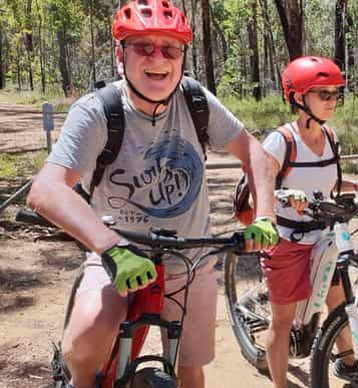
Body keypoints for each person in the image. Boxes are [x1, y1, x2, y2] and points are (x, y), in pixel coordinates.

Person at [25, 1, 277, 387]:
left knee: (191, 369)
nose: (158, 57)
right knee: (88, 338)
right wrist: (111, 248)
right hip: (119, 255)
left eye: (170, 48)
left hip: (191, 261)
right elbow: (45, 189)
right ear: (119, 55)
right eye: (143, 46)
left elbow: (256, 154)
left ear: (181, 57)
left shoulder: (195, 101)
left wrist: (264, 216)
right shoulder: (97, 111)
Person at [259, 56, 358, 388]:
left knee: (339, 303)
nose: (331, 101)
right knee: (282, 322)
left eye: (334, 94)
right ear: (299, 98)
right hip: (286, 239)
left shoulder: (329, 136)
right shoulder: (281, 141)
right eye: (322, 94)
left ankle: (348, 363)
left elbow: (328, 182)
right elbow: (263, 187)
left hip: (323, 237)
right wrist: (286, 196)